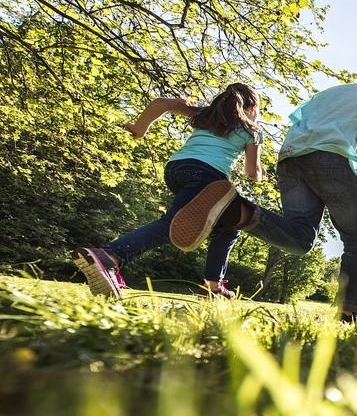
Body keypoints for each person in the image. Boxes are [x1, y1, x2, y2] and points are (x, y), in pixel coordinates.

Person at [167, 55, 357, 324]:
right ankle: (349, 313)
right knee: (356, 242)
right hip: (332, 157)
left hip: (291, 156)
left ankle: (238, 212)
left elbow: (300, 120)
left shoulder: (333, 92)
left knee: (300, 239)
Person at [73, 83, 264, 300]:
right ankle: (110, 255)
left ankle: (213, 286)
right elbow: (251, 171)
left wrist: (140, 128)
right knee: (173, 225)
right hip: (208, 178)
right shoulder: (251, 130)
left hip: (177, 169)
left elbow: (162, 103)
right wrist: (260, 175)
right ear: (252, 107)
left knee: (230, 224)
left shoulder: (206, 112)